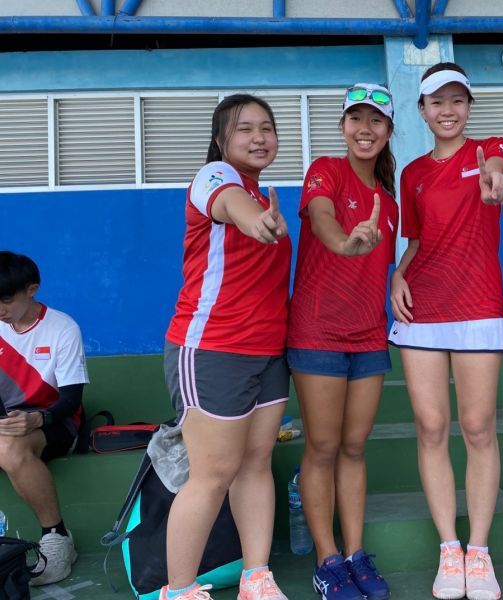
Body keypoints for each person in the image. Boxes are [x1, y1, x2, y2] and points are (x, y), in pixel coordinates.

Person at [389, 63, 503, 600]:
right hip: (421, 309)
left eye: (456, 101)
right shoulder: (412, 174)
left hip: (480, 308)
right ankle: (449, 547)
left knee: (479, 426)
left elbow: (498, 169)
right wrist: (398, 270)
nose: (447, 110)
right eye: (435, 102)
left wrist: (494, 176)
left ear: (468, 106)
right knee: (431, 427)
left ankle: (479, 551)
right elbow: (417, 239)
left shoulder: (490, 149)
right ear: (421, 111)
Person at [160, 94, 292, 600]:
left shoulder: (262, 192)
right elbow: (228, 206)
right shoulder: (215, 178)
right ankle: (181, 589)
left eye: (267, 127)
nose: (259, 137)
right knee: (213, 474)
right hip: (212, 348)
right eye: (244, 129)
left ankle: (256, 577)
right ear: (220, 140)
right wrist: (252, 220)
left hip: (267, 351)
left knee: (256, 464)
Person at [288, 83, 398, 600]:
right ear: (343, 127)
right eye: (356, 119)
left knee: (354, 447)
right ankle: (326, 559)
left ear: (389, 131)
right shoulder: (324, 170)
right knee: (324, 446)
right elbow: (323, 217)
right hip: (317, 331)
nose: (365, 129)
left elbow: (396, 259)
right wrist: (344, 244)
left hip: (370, 335)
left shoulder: (390, 200)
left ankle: (355, 555)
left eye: (376, 121)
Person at [0, 250, 88, 586]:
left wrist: (36, 420)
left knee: (9, 447)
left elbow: (71, 399)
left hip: (55, 422)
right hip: (6, 426)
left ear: (32, 289)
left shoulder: (62, 327)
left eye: (6, 300)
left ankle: (57, 538)